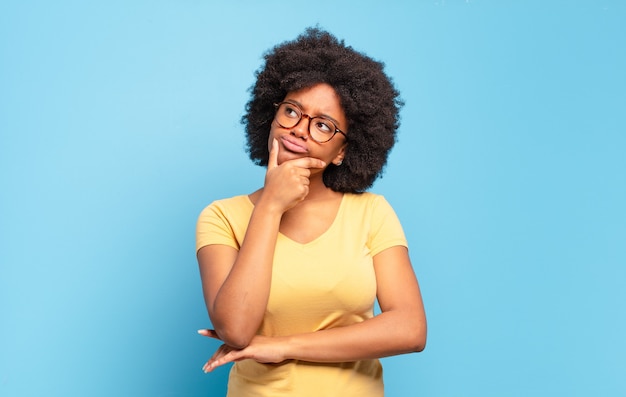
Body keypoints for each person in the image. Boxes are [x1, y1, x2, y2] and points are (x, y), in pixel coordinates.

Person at [195, 27, 426, 396]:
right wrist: (271, 205)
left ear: (342, 152)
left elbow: (411, 330)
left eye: (323, 125)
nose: (300, 130)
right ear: (270, 117)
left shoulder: (371, 214)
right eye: (291, 111)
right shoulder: (222, 217)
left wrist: (282, 346)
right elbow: (236, 330)